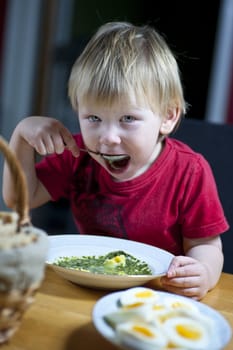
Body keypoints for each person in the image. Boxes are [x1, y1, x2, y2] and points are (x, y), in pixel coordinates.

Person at [2, 21, 229, 300]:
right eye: (94, 118)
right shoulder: (77, 154)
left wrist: (203, 272)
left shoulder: (190, 171)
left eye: (128, 119)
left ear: (168, 116)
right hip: (88, 289)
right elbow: (20, 199)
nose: (108, 138)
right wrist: (21, 139)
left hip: (159, 296)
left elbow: (206, 245)